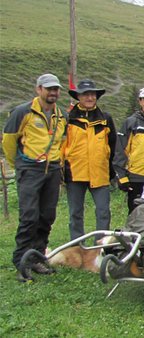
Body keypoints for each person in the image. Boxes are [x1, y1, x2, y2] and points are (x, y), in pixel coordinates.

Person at [4, 74, 68, 282]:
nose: (53, 93)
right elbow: (9, 140)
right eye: (48, 89)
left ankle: (38, 257)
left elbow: (62, 141)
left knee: (47, 215)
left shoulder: (61, 115)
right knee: (29, 216)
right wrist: (18, 164)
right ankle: (21, 261)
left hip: (52, 170)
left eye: (56, 89)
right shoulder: (23, 112)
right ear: (38, 89)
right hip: (30, 169)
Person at [63, 79, 117, 240]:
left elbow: (113, 146)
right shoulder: (68, 119)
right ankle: (77, 246)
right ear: (78, 96)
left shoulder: (106, 118)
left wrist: (110, 168)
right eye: (85, 94)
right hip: (75, 172)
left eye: (92, 94)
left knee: (103, 212)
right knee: (75, 213)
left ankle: (100, 246)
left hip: (100, 172)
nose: (89, 98)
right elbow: (61, 146)